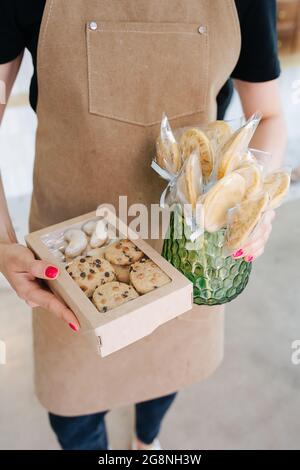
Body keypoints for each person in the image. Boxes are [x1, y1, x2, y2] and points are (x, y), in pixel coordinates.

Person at [0, 0, 286, 450]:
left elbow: (267, 115)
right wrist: (2, 239)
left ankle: (145, 441)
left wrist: (252, 205)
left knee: (162, 380)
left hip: (187, 248)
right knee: (74, 417)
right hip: (72, 255)